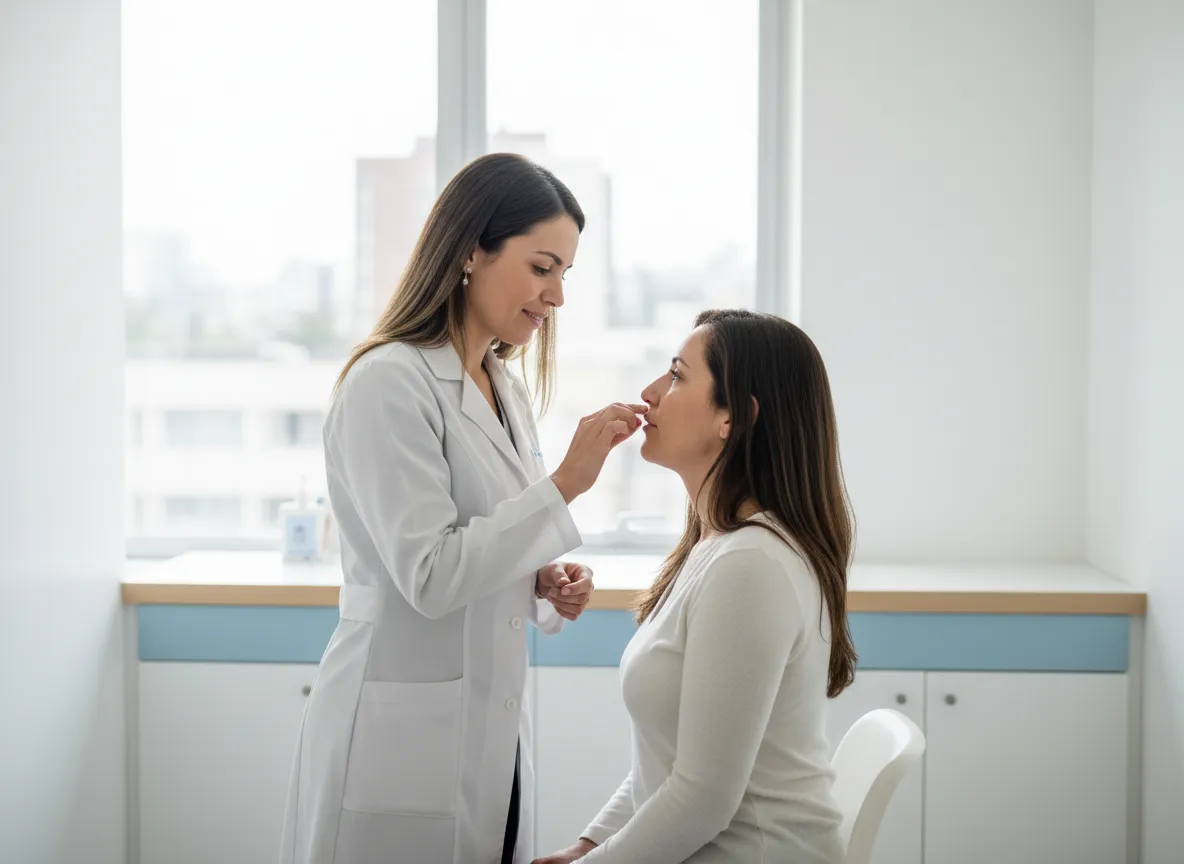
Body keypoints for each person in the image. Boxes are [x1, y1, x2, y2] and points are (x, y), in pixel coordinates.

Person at [279, 153, 648, 864]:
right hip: (396, 739)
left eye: (566, 273)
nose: (557, 296)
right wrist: (565, 485)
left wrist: (542, 580)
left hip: (489, 735)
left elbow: (486, 541)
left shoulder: (502, 386)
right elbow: (430, 574)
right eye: (542, 268)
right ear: (472, 250)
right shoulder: (388, 382)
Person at [535, 309, 857, 864]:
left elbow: (702, 799)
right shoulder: (716, 546)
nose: (650, 393)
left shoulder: (749, 566)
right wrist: (588, 846)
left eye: (677, 376)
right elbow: (669, 765)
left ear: (733, 418)